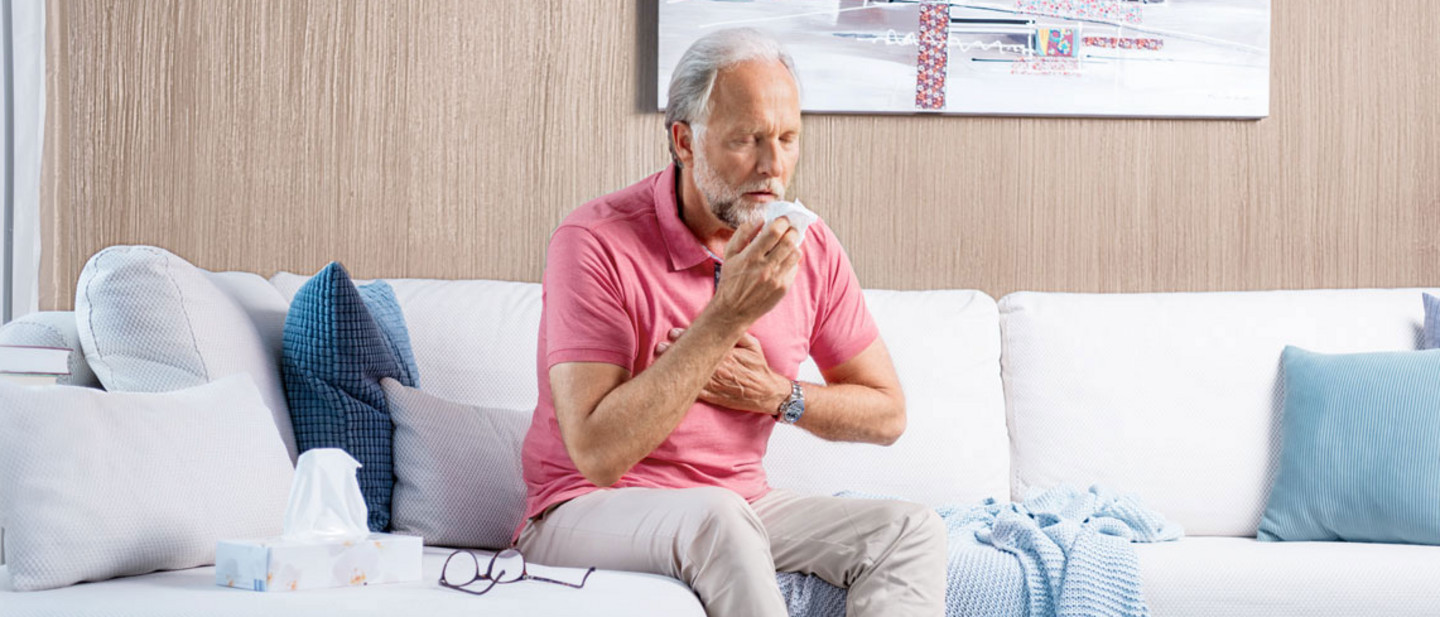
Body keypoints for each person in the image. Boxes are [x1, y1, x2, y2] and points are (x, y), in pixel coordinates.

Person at [516, 27, 947, 617]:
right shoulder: (594, 241)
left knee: (910, 530)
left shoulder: (808, 247)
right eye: (747, 139)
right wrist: (725, 316)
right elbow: (596, 453)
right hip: (585, 508)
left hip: (738, 506)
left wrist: (776, 395)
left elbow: (888, 414)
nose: (773, 166)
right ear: (685, 140)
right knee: (717, 518)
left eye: (788, 138)